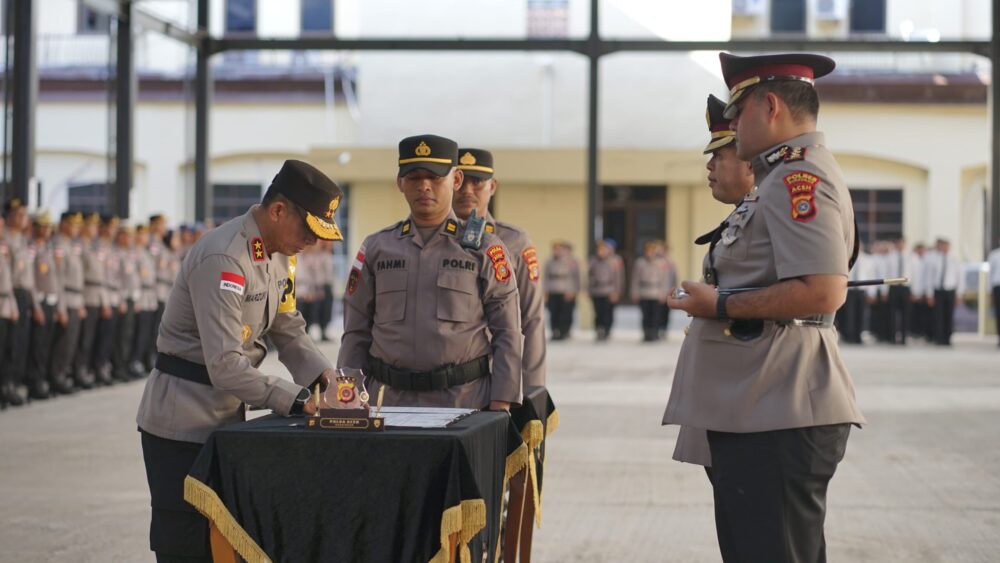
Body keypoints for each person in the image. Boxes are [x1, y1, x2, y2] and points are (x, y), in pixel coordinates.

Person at [663, 52, 865, 563]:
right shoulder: (779, 178)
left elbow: (824, 291)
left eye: (737, 114)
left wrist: (721, 303)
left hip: (780, 409)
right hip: (761, 405)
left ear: (769, 105)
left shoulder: (800, 178)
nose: (731, 127)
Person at [136, 159, 343, 562]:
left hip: (225, 415)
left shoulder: (280, 255)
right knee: (186, 543)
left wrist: (324, 377)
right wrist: (298, 399)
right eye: (309, 230)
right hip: (181, 422)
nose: (313, 242)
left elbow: (287, 327)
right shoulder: (225, 259)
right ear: (279, 210)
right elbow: (226, 363)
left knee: (223, 541)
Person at [338, 134, 522, 410]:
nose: (424, 186)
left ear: (455, 180)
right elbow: (356, 330)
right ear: (400, 182)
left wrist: (501, 402)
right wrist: (347, 393)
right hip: (386, 403)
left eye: (435, 177)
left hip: (464, 403)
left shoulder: (484, 248)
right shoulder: (377, 247)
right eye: (413, 177)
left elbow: (508, 331)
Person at [671, 92, 757, 471]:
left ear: (750, 162)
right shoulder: (743, 216)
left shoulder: (768, 214)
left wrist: (716, 303)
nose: (709, 167)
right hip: (724, 394)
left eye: (719, 156)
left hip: (746, 398)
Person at [454, 147, 546, 387]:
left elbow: (532, 318)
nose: (467, 191)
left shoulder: (514, 241)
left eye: (477, 183)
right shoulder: (425, 239)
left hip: (493, 376)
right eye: (460, 182)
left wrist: (532, 388)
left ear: (492, 186)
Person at [51, 211, 90, 390]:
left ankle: (64, 374)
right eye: (73, 224)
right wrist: (61, 307)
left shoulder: (71, 245)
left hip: (75, 298)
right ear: (64, 224)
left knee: (72, 343)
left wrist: (81, 303)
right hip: (66, 298)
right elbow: (57, 279)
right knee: (63, 342)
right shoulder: (59, 245)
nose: (76, 228)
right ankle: (56, 377)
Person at [923, 237, 963, 346]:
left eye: (946, 246)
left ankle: (947, 338)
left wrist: (959, 294)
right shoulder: (933, 259)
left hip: (950, 290)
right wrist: (929, 294)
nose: (944, 248)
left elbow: (959, 277)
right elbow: (929, 278)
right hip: (938, 291)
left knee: (948, 315)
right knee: (938, 316)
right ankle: (938, 338)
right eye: (942, 246)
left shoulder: (954, 259)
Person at [588, 239, 625, 341]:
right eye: (599, 249)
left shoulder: (615, 261)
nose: (601, 251)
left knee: (608, 312)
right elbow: (589, 276)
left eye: (604, 249)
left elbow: (619, 277)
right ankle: (599, 330)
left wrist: (617, 291)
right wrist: (589, 290)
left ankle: (607, 330)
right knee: (598, 312)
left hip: (610, 290)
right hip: (597, 290)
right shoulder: (593, 261)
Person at [631, 241, 667, 342]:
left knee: (656, 315)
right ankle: (646, 333)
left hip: (656, 292)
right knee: (645, 314)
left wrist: (663, 293)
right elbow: (635, 279)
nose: (650, 253)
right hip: (644, 292)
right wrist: (635, 292)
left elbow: (664, 280)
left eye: (652, 251)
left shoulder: (661, 263)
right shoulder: (640, 263)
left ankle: (654, 333)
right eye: (648, 251)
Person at [543, 241, 580, 340]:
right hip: (553, 290)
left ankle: (564, 331)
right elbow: (545, 277)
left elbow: (575, 278)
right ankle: (555, 331)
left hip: (566, 291)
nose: (557, 251)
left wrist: (573, 291)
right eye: (555, 249)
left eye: (559, 249)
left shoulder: (571, 262)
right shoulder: (549, 262)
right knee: (553, 312)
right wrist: (545, 290)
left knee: (565, 313)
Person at [989, 239, 1000, 347]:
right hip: (997, 287)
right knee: (998, 313)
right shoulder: (994, 255)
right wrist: (989, 290)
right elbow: (990, 274)